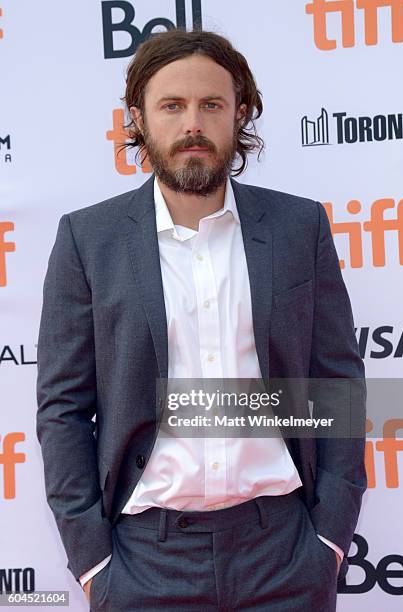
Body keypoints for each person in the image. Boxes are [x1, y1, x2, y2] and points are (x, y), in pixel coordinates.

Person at [36, 29, 366, 611]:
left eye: (211, 104)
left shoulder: (299, 229)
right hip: (143, 563)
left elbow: (336, 384)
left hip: (286, 555)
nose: (193, 123)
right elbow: (62, 408)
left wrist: (330, 539)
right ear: (137, 117)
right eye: (172, 105)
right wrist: (92, 560)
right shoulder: (87, 240)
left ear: (240, 113)